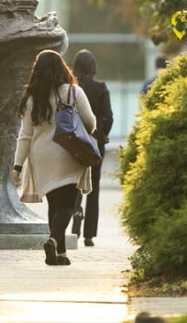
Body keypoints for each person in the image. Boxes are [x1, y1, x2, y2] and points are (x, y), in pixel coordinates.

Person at [11, 50, 96, 266]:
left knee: (54, 204)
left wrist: (17, 166)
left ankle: (60, 253)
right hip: (67, 152)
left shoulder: (32, 98)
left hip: (41, 156)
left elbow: (25, 135)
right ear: (62, 68)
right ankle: (52, 241)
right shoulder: (73, 93)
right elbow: (91, 123)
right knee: (67, 204)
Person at [69, 50, 114, 247]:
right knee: (93, 186)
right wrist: (102, 133)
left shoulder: (72, 89)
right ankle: (88, 235)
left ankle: (76, 210)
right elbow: (109, 116)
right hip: (96, 142)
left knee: (75, 181)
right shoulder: (101, 88)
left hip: (75, 141)